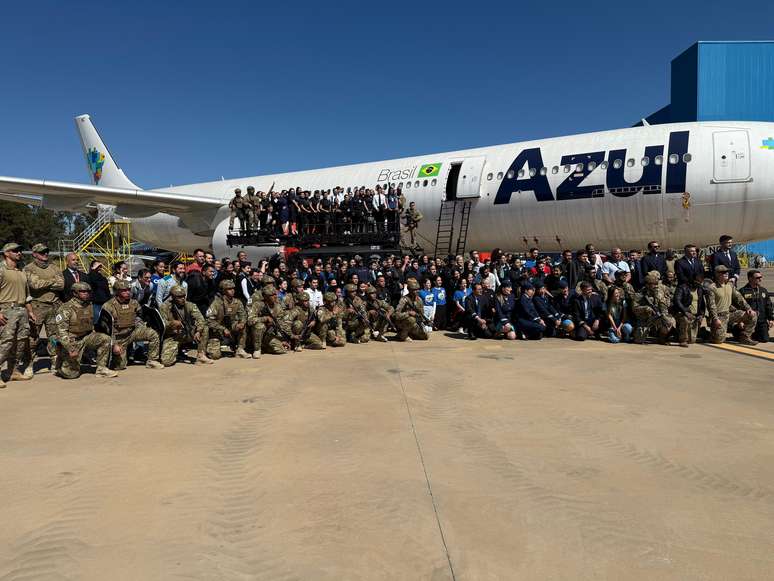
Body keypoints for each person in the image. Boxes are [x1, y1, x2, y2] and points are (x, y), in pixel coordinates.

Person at [53, 282, 116, 379]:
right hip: (72, 340)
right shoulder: (66, 308)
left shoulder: (89, 305)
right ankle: (61, 362)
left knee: (105, 339)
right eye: (82, 291)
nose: (86, 293)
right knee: (71, 374)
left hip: (86, 337)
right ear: (75, 293)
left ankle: (101, 369)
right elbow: (61, 333)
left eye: (88, 291)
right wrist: (70, 349)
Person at [99, 280, 164, 370]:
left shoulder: (134, 303)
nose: (127, 292)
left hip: (132, 333)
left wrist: (142, 329)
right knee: (120, 366)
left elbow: (138, 318)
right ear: (117, 291)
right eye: (124, 290)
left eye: (129, 290)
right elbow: (105, 330)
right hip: (118, 338)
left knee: (152, 334)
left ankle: (152, 361)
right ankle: (113, 358)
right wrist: (113, 345)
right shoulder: (108, 306)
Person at [23, 243, 65, 376]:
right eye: (42, 252)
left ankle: (55, 362)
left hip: (54, 307)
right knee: (33, 337)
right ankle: (29, 364)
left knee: (54, 337)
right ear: (34, 254)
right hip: (37, 307)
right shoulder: (28, 268)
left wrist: (45, 282)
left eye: (46, 252)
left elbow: (61, 285)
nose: (45, 254)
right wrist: (52, 281)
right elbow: (34, 285)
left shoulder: (54, 267)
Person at [0, 242, 33, 387]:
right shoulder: (1, 270)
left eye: (20, 251)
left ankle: (12, 370)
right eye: (15, 251)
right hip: (7, 309)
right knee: (6, 343)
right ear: (6, 253)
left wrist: (30, 311)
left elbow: (27, 295)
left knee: (20, 342)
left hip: (22, 310)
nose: (19, 253)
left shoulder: (21, 272)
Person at [159, 285, 212, 366]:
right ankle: (176, 351)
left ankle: (201, 355)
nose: (183, 298)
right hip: (173, 335)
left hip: (187, 332)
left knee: (204, 328)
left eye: (184, 296)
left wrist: (198, 331)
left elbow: (200, 319)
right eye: (179, 297)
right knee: (166, 362)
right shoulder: (164, 307)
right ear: (172, 297)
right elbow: (162, 324)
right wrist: (172, 323)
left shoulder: (190, 305)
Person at [704, 265, 757, 345]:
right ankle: (706, 332)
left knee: (752, 315)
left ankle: (745, 337)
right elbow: (711, 306)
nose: (726, 273)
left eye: (727, 272)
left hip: (730, 313)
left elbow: (739, 298)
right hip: (719, 316)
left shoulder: (730, 285)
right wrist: (715, 319)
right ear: (717, 274)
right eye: (723, 272)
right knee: (719, 340)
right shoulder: (712, 288)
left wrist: (748, 308)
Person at [206, 279, 250, 359]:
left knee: (242, 327)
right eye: (229, 289)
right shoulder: (216, 303)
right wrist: (223, 329)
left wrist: (242, 323)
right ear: (223, 291)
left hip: (231, 326)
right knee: (215, 356)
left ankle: (240, 349)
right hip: (217, 330)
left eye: (233, 288)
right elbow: (209, 321)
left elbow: (243, 315)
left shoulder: (237, 302)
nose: (232, 291)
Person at [245, 285, 292, 357]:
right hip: (256, 333)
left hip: (269, 334)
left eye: (275, 294)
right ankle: (257, 350)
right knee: (260, 326)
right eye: (271, 295)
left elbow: (280, 324)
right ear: (265, 296)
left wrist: (282, 339)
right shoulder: (258, 305)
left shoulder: (278, 307)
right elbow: (250, 320)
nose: (275, 296)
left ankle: (265, 347)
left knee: (281, 349)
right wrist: (265, 319)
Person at [632, 272, 676, 345]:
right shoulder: (640, 294)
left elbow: (667, 305)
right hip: (645, 318)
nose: (656, 286)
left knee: (669, 321)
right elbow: (634, 308)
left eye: (656, 284)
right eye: (653, 284)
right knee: (638, 340)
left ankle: (662, 337)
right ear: (647, 284)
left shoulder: (661, 292)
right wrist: (645, 308)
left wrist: (660, 299)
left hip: (658, 317)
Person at [673, 273, 707, 347]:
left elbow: (702, 304)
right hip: (682, 313)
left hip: (695, 316)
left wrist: (701, 314)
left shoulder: (700, 289)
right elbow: (677, 301)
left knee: (692, 340)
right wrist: (685, 311)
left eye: (700, 283)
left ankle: (702, 331)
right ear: (692, 281)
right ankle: (683, 340)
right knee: (685, 319)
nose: (698, 285)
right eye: (697, 283)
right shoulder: (682, 288)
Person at [739, 270, 773, 342]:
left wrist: (771, 319)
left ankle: (753, 334)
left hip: (761, 321)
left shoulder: (763, 290)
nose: (760, 279)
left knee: (764, 339)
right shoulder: (743, 291)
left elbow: (768, 306)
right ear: (750, 278)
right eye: (758, 277)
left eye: (761, 277)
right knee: (741, 336)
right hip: (748, 321)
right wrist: (740, 321)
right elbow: (738, 307)